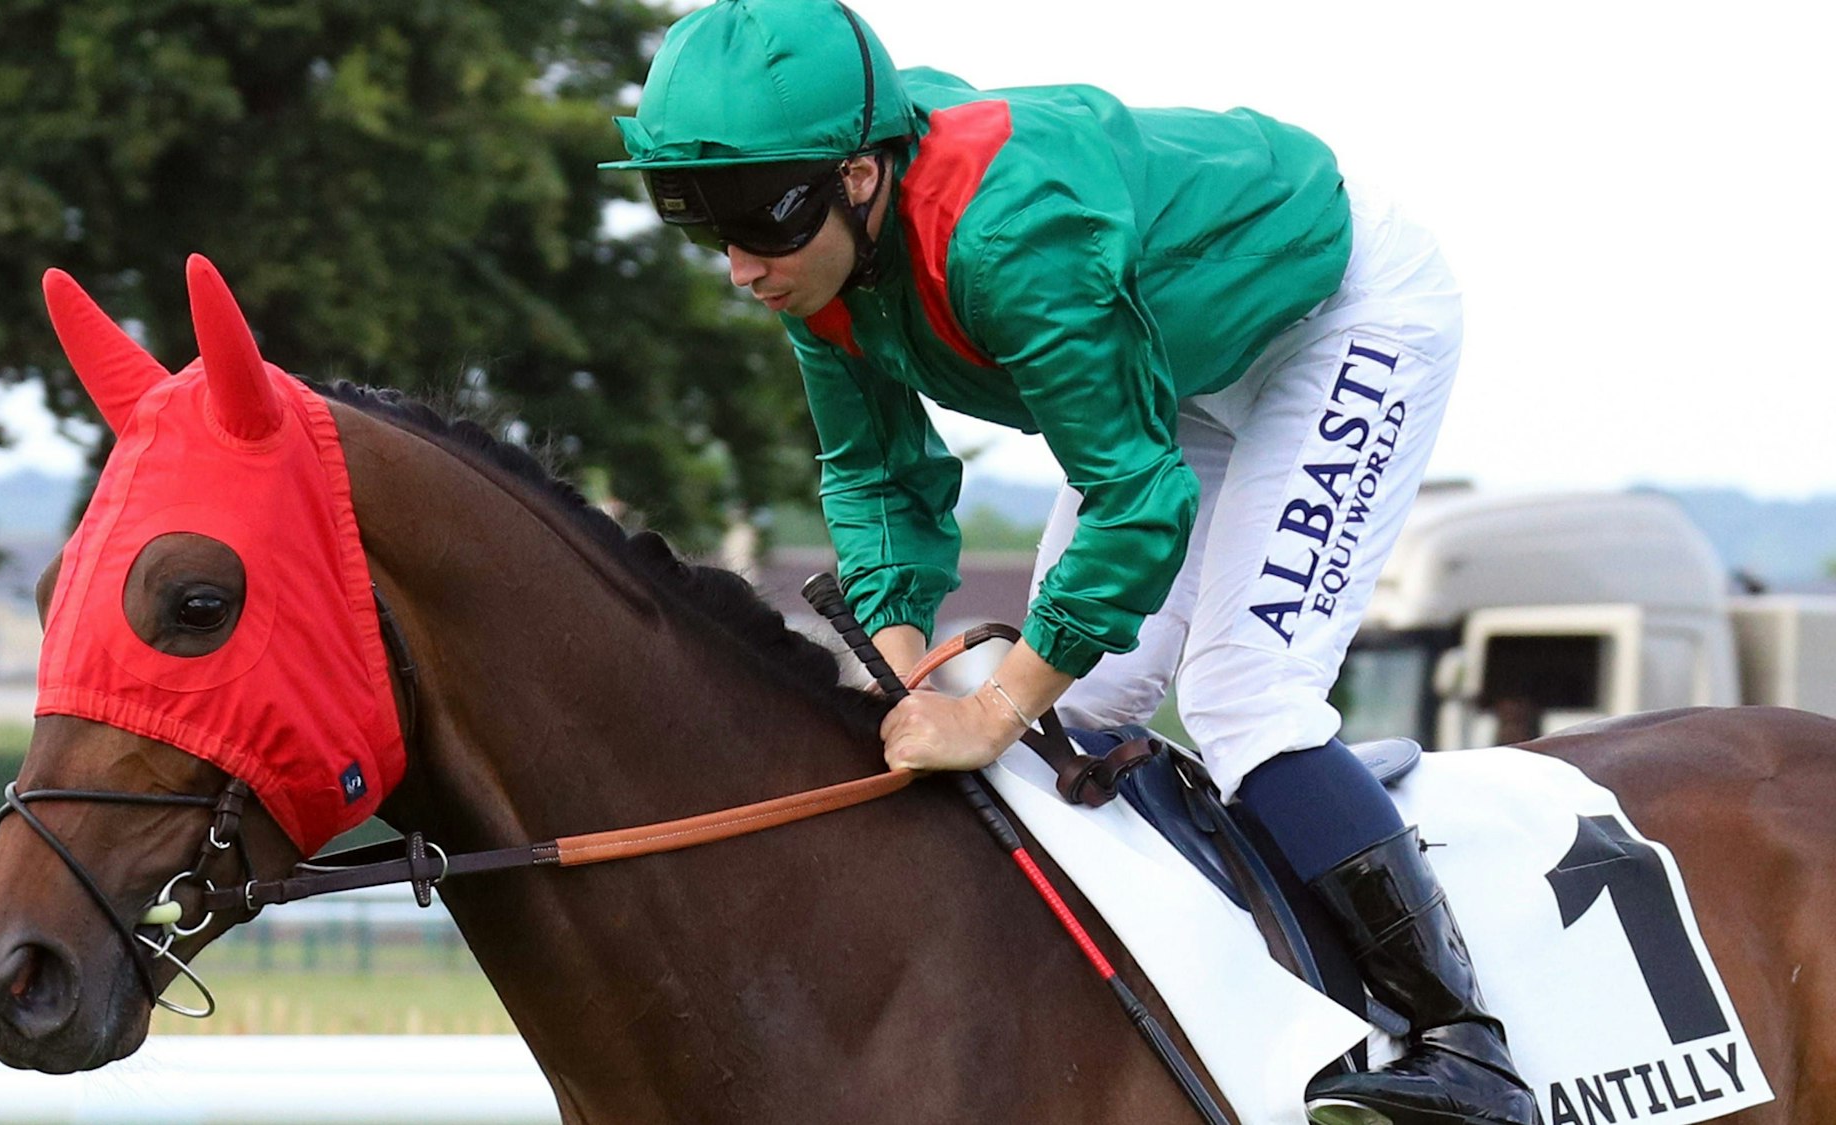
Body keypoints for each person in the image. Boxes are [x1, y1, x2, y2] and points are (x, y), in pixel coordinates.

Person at [604, 2, 1535, 1121]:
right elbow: (877, 480)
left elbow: (1136, 503)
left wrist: (987, 708)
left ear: (859, 175)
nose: (742, 270)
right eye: (711, 232)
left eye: (760, 224)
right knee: (1074, 713)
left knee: (1243, 696)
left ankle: (1463, 1046)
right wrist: (908, 678)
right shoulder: (822, 260)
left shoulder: (1007, 239)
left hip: (1334, 317)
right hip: (1174, 360)